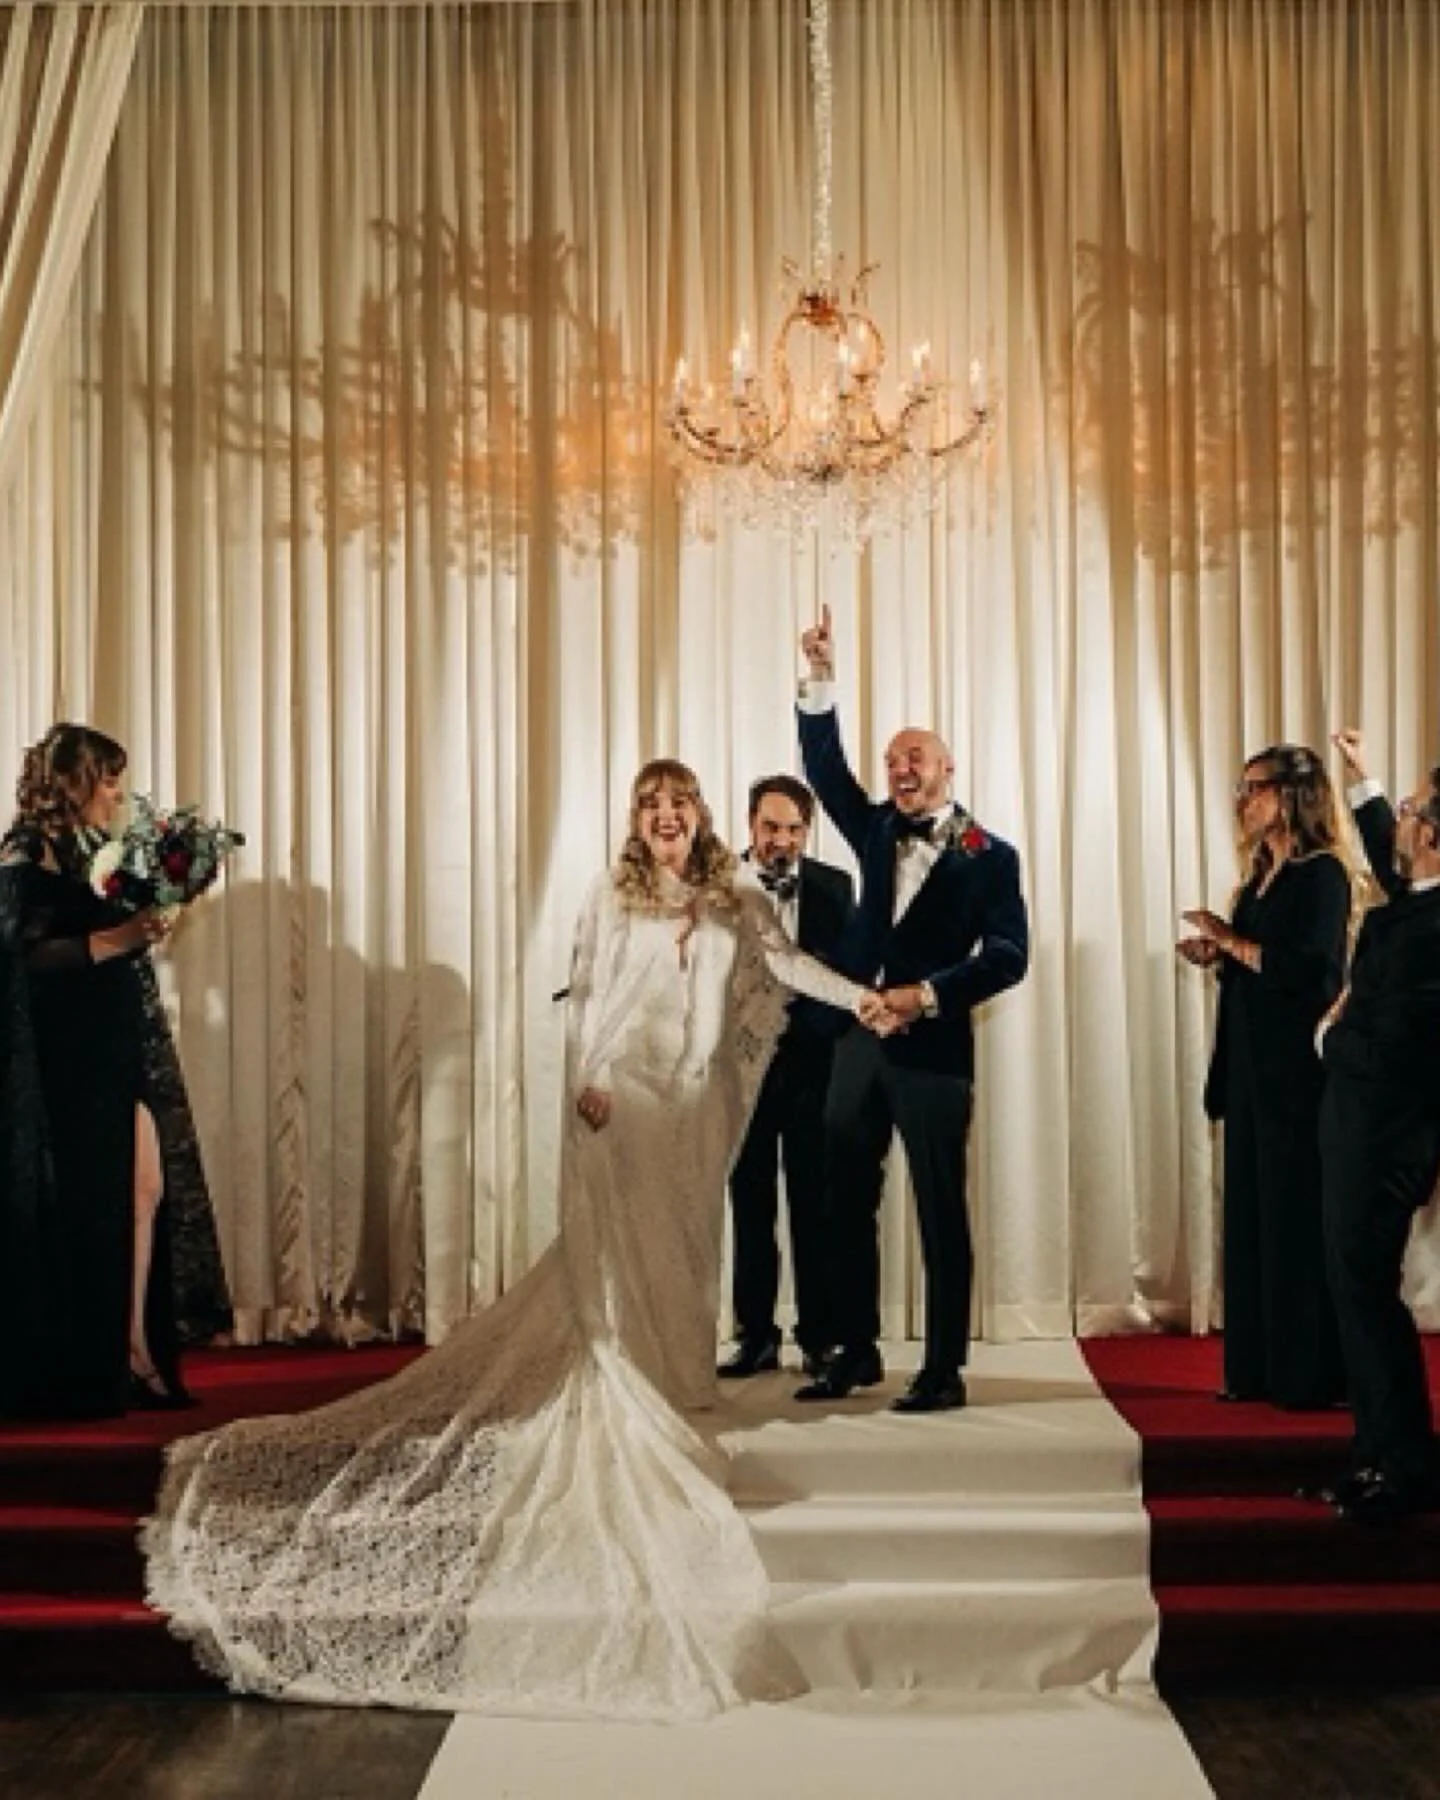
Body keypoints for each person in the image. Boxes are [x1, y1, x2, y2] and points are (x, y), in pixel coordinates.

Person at [144, 759, 884, 1719]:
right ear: (637, 821)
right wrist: (586, 1077)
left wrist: (861, 997)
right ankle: (635, 1384)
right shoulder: (613, 893)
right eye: (651, 808)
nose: (666, 819)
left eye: (679, 805)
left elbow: (784, 966)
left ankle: (680, 1375)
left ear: (699, 815)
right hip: (624, 1093)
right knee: (626, 1255)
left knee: (688, 1247)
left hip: (696, 1103)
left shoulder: (734, 889)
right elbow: (591, 990)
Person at [792, 606, 1030, 1413]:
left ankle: (943, 1370)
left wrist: (923, 996)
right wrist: (819, 679)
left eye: (913, 756)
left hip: (932, 1057)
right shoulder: (873, 829)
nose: (898, 767)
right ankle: (853, 1351)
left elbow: (1009, 957)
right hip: (857, 1048)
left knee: (939, 1213)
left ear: (949, 766)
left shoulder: (991, 857)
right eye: (891, 758)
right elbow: (825, 773)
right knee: (842, 1204)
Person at [0, 723, 226, 1418]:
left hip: (112, 1049)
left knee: (147, 1188)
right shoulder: (24, 851)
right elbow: (27, 960)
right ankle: (108, 1357)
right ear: (73, 781)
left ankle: (130, 1345)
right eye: (107, 778)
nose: (118, 792)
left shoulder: (93, 852)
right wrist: (120, 937)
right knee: (102, 1206)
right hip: (64, 1064)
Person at [1179, 745, 1354, 1410]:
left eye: (1256, 788)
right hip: (1251, 1069)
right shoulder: (1259, 877)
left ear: (1295, 796)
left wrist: (1229, 941)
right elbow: (1257, 969)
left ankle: (1306, 1376)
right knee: (1250, 1220)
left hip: (1296, 1078)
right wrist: (1218, 953)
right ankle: (1254, 1369)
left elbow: (1311, 974)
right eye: (1241, 787)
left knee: (1294, 1222)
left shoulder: (1323, 877)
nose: (1243, 800)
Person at [1299, 730, 1440, 1524]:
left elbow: (1395, 1040)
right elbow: (1392, 862)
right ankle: (1377, 1456)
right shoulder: (1416, 898)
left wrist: (1329, 1033)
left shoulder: (1433, 928)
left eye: (1414, 810)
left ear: (1436, 839)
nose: (1403, 820)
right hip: (1361, 1129)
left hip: (1385, 1137)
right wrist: (1367, 784)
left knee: (1366, 1295)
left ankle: (1405, 1468)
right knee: (1356, 1295)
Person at [720, 775, 854, 1380]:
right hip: (740, 1070)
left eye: (794, 829)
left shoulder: (835, 885)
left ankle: (821, 1337)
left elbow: (846, 972)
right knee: (750, 1204)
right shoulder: (720, 886)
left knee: (814, 1203)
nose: (782, 840)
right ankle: (755, 1335)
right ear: (750, 824)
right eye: (771, 827)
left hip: (813, 1068)